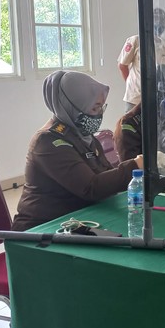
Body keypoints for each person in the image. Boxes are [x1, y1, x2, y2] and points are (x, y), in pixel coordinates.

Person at [12, 71, 142, 231]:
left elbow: (106, 175)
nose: (100, 114)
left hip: (78, 220)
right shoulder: (48, 142)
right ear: (73, 106)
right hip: (41, 229)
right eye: (95, 108)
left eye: (102, 107)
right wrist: (135, 166)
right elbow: (90, 187)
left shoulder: (84, 136)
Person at [117, 8, 165, 112]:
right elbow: (122, 66)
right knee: (132, 127)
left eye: (163, 20)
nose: (160, 23)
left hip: (158, 99)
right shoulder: (136, 41)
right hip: (136, 99)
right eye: (156, 19)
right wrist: (131, 85)